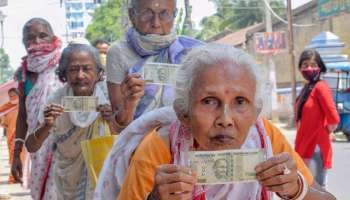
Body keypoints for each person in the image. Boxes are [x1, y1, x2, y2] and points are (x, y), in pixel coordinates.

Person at [97, 44, 336, 200]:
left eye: (240, 101)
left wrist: (296, 188)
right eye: (209, 101)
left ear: (255, 112)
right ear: (184, 113)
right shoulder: (160, 148)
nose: (225, 120)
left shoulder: (265, 138)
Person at [25, 43, 116, 200]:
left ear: (98, 72)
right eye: (73, 69)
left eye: (87, 69)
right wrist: (47, 125)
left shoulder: (109, 96)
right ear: (64, 74)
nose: (80, 76)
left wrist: (113, 119)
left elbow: (126, 134)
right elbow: (31, 146)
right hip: (68, 182)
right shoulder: (56, 100)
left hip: (104, 177)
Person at [106, 0, 202, 132]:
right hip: (139, 144)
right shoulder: (118, 52)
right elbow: (118, 126)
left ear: (175, 15)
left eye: (164, 14)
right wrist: (129, 104)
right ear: (131, 15)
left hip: (183, 139)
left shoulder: (189, 52)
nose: (156, 23)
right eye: (147, 13)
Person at [11, 18, 63, 200]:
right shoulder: (23, 74)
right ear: (24, 43)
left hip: (67, 145)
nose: (37, 42)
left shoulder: (65, 66)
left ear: (53, 38)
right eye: (30, 38)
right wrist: (16, 153)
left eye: (43, 36)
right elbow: (22, 115)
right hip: (37, 148)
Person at [295, 49, 339, 188]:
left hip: (316, 148)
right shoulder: (307, 88)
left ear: (320, 67)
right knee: (306, 189)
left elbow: (333, 118)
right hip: (303, 147)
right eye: (305, 65)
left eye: (313, 64)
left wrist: (323, 133)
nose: (309, 68)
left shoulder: (321, 87)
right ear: (300, 68)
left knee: (317, 189)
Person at [0, 88, 20, 183]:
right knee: (13, 156)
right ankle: (14, 176)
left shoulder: (24, 105)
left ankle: (19, 176)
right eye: (10, 96)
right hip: (10, 135)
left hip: (22, 135)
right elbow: (2, 119)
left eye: (14, 95)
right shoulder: (6, 107)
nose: (12, 97)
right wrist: (3, 120)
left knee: (22, 156)